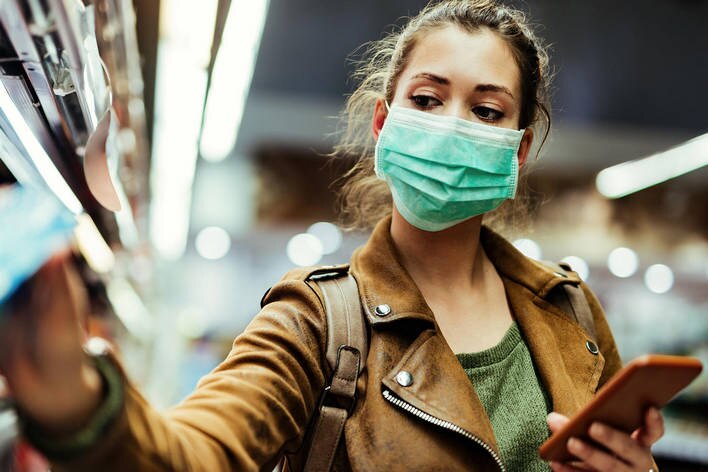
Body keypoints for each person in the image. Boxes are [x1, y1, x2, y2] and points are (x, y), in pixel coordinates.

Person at [0, 1, 665, 471]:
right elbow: (198, 453)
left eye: (486, 111)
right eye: (427, 100)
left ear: (516, 152)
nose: (452, 125)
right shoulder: (316, 323)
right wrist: (82, 406)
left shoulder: (570, 311)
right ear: (383, 126)